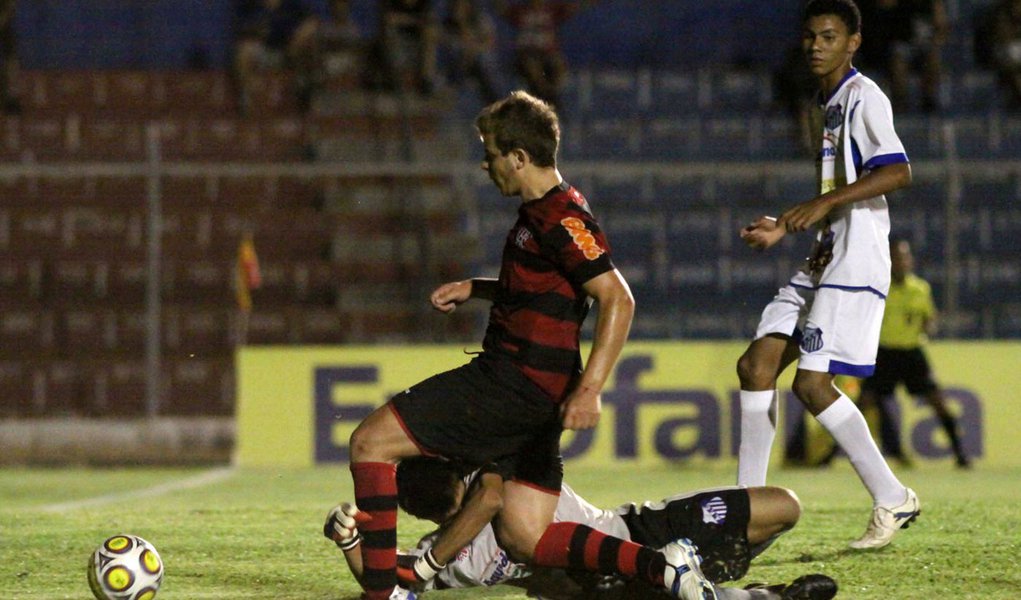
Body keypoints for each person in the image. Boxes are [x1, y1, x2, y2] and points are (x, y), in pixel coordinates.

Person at [340, 90, 739, 600]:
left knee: (369, 443)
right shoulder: (550, 211)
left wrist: (592, 389)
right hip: (540, 392)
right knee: (525, 534)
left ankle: (381, 594)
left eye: (491, 154)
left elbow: (618, 299)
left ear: (519, 157)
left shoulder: (560, 221)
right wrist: (479, 289)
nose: (486, 166)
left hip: (511, 383)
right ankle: (667, 569)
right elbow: (550, 288)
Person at [735, 0, 919, 551]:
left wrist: (823, 206)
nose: (817, 44)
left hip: (855, 259)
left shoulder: (865, 96)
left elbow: (898, 171)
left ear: (853, 42)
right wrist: (789, 226)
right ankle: (745, 509)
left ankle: (893, 496)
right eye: (811, 35)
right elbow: (836, 194)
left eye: (830, 36)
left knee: (812, 384)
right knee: (755, 364)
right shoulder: (827, 100)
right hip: (824, 255)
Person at [326, 456, 839, 600]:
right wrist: (351, 541)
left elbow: (489, 497)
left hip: (636, 525)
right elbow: (387, 587)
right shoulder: (444, 549)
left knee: (782, 506)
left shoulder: (498, 471)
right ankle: (763, 596)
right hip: (601, 583)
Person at [853, 239, 969, 467]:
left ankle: (960, 455)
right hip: (884, 353)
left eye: (904, 257)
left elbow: (929, 317)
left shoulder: (920, 288)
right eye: (896, 257)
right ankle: (829, 456)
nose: (901, 261)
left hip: (911, 353)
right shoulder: (878, 287)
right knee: (862, 404)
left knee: (938, 402)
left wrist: (928, 326)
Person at [493, 0, 598, 110]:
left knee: (557, 64)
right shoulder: (521, 11)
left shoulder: (551, 11)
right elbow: (502, 9)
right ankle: (545, 96)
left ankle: (551, 92)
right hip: (526, 54)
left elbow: (575, 7)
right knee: (532, 66)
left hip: (547, 53)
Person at [232, 0, 321, 114]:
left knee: (310, 32)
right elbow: (243, 31)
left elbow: (313, 22)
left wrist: (295, 38)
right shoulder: (249, 6)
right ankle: (248, 99)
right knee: (245, 50)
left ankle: (304, 88)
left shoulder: (293, 5)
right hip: (263, 51)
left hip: (290, 51)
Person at [858, 0, 947, 112]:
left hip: (922, 44)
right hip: (896, 43)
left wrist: (935, 39)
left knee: (932, 56)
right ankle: (900, 103)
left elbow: (941, 26)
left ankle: (929, 101)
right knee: (898, 58)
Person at [441, 0, 502, 105]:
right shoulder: (448, 25)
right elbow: (449, 44)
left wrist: (473, 49)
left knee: (483, 58)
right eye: (457, 5)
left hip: (480, 59)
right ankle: (456, 87)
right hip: (460, 61)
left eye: (463, 4)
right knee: (459, 53)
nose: (460, 7)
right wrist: (461, 24)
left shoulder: (481, 19)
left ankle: (493, 99)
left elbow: (490, 42)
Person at [376, 0, 439, 95]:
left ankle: (426, 80)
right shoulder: (391, 2)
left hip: (417, 37)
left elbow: (429, 19)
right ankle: (393, 80)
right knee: (390, 34)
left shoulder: (424, 3)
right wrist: (414, 20)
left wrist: (406, 20)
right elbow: (390, 19)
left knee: (431, 34)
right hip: (397, 35)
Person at [989, 0, 1021, 109]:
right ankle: (1015, 98)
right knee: (1011, 54)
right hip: (1009, 51)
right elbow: (1003, 38)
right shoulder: (1001, 12)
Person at [0, 0, 20, 114]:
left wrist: (3, 20)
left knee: (11, 60)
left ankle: (11, 96)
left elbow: (10, 7)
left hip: (4, 23)